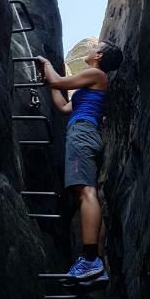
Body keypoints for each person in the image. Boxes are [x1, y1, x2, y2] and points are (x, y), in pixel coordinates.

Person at [37, 40, 123, 284]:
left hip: (82, 134)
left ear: (98, 56)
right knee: (87, 193)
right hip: (84, 133)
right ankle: (95, 262)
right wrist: (51, 80)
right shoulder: (92, 82)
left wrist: (47, 66)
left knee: (86, 192)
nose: (89, 51)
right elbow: (64, 106)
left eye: (94, 48)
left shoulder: (96, 74)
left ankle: (90, 260)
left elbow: (57, 81)